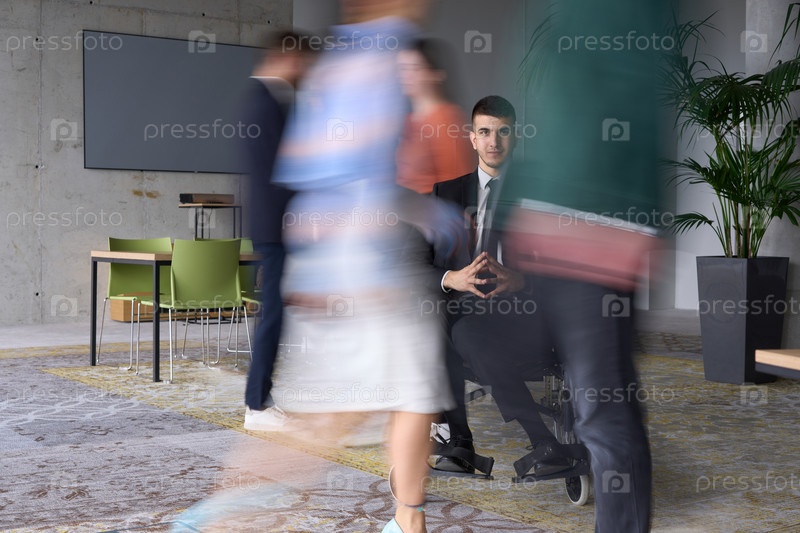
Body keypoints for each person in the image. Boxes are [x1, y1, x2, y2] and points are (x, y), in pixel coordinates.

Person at [269, 2, 463, 532]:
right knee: (354, 414)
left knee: (388, 401)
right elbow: (357, 173)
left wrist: (422, 212)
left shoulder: (343, 58)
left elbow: (318, 169)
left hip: (349, 263)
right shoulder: (379, 56)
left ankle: (407, 519)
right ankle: (221, 519)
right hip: (365, 269)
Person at [428, 95, 569, 476]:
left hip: (522, 311)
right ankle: (542, 443)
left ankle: (461, 443)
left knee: (460, 333)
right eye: (486, 132)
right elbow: (419, 264)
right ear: (472, 138)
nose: (494, 141)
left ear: (515, 136)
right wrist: (452, 278)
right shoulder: (446, 194)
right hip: (461, 308)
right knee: (435, 321)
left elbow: (568, 268)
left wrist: (521, 279)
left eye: (503, 132)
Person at [240, 30, 317, 432]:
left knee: (279, 313)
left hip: (277, 225)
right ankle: (256, 405)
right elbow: (280, 173)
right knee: (272, 315)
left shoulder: (271, 99)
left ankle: (261, 399)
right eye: (302, 61)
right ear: (287, 57)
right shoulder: (265, 101)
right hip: (277, 226)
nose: (305, 70)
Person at [396, 38, 476, 194]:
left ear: (436, 74)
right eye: (402, 69)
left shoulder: (446, 120)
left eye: (415, 68)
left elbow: (457, 186)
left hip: (428, 206)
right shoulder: (409, 120)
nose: (405, 76)